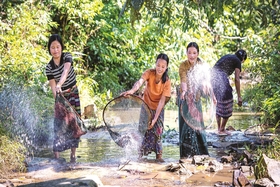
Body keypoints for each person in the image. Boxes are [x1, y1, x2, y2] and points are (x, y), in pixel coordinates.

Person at [121, 53, 171, 162]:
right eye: (158, 65)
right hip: (146, 107)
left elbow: (162, 101)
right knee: (142, 133)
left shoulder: (167, 81)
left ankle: (159, 160)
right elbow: (140, 82)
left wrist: (154, 119)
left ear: (166, 67)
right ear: (155, 64)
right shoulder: (149, 73)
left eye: (163, 66)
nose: (160, 68)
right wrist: (132, 91)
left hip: (158, 109)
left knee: (157, 134)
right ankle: (140, 159)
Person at [45, 34, 82, 163]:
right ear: (49, 49)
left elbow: (65, 72)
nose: (55, 50)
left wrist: (60, 84)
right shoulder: (49, 67)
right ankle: (57, 158)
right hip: (61, 97)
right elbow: (53, 87)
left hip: (72, 93)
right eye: (52, 47)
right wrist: (59, 104)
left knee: (74, 124)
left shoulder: (67, 57)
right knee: (59, 124)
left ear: (61, 47)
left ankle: (73, 155)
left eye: (57, 47)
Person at [178, 42, 216, 159]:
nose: (192, 55)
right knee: (185, 129)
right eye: (189, 53)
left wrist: (213, 96)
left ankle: (202, 155)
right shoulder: (183, 66)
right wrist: (184, 91)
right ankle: (185, 156)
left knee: (198, 128)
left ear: (198, 53)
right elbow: (183, 80)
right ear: (186, 53)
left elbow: (207, 82)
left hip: (196, 99)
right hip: (185, 100)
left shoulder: (201, 65)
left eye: (194, 53)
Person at [211, 49, 247, 135]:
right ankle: (222, 129)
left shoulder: (230, 56)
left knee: (219, 102)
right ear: (242, 59)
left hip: (212, 76)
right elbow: (237, 79)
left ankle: (219, 128)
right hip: (220, 77)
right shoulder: (238, 61)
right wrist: (239, 96)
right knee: (229, 100)